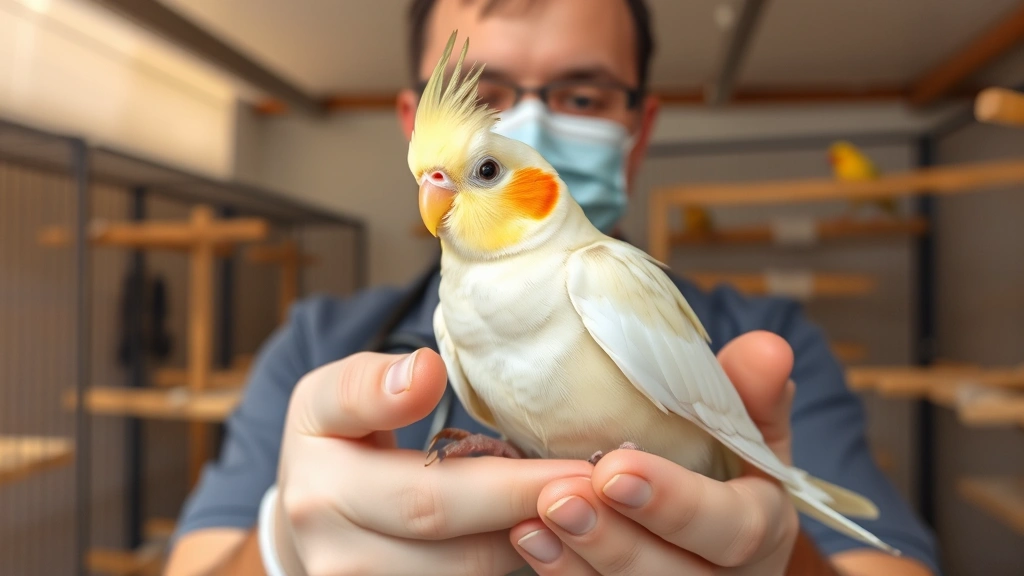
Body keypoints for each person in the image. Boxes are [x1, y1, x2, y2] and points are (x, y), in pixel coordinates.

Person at [164, 1, 940, 574]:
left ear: (638, 130)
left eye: (581, 96)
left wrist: (774, 552)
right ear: (409, 128)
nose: (527, 120)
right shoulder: (353, 336)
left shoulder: (620, 284)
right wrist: (281, 549)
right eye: (489, 96)